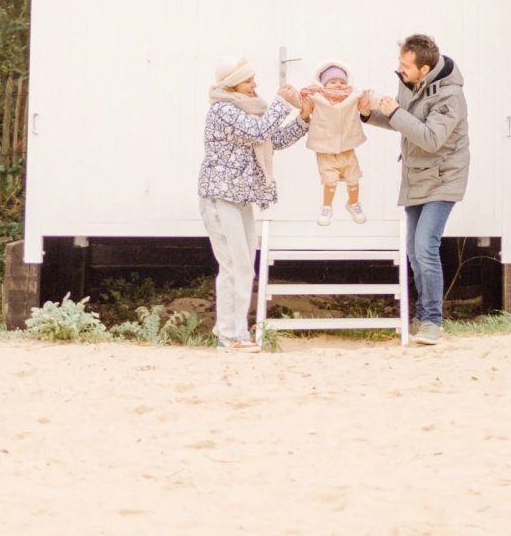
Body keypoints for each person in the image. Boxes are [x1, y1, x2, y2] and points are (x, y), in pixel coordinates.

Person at [361, 33, 469, 346]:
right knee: (413, 251)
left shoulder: (450, 97)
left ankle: (433, 322)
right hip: (415, 177)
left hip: (444, 178)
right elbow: (402, 122)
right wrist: (369, 114)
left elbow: (430, 138)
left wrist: (394, 111)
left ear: (424, 69)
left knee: (425, 246)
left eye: (405, 64)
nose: (400, 68)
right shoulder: (409, 83)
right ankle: (421, 316)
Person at [198, 56, 305, 350]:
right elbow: (260, 132)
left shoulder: (247, 111)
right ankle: (232, 335)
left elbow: (274, 139)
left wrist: (304, 118)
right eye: (249, 80)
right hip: (221, 197)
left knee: (242, 267)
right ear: (232, 85)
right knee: (235, 265)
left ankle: (229, 333)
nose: (255, 84)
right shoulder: (223, 110)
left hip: (239, 198)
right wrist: (282, 102)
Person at [299, 60, 368, 227]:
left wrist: (372, 107)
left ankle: (353, 203)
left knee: (353, 177)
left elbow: (370, 98)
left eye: (342, 82)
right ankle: (326, 207)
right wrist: (293, 99)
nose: (338, 85)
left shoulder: (353, 95)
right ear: (324, 83)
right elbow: (298, 100)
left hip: (347, 146)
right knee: (330, 180)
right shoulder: (315, 95)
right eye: (333, 81)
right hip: (325, 147)